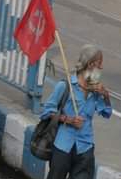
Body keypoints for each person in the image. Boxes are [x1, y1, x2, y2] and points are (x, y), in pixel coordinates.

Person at [41, 45, 112, 179]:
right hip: (63, 146)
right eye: (99, 64)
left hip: (85, 149)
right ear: (90, 64)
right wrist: (68, 120)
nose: (101, 68)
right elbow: (46, 112)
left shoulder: (95, 90)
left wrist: (105, 95)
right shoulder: (65, 86)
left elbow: (106, 113)